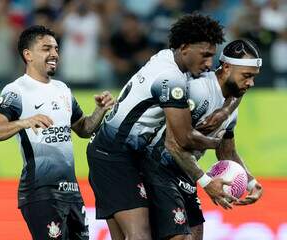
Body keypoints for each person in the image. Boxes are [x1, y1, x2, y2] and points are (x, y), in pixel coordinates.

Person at [87, 13, 235, 240]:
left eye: (212, 56)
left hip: (122, 153)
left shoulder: (166, 56)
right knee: (139, 236)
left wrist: (225, 110)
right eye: (205, 55)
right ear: (185, 48)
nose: (208, 63)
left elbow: (233, 82)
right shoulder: (170, 78)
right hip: (113, 156)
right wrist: (219, 142)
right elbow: (184, 138)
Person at [0, 25, 114, 240]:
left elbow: (83, 128)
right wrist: (25, 122)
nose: (54, 54)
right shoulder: (16, 90)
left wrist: (100, 111)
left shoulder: (63, 89)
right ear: (28, 55)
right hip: (40, 191)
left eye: (56, 48)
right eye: (46, 48)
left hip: (72, 192)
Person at [142, 39, 264, 240]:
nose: (251, 83)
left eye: (253, 77)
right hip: (157, 170)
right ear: (226, 67)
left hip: (186, 174)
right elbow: (171, 142)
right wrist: (206, 182)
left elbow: (226, 151)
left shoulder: (231, 104)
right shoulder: (198, 89)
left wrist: (251, 182)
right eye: (247, 76)